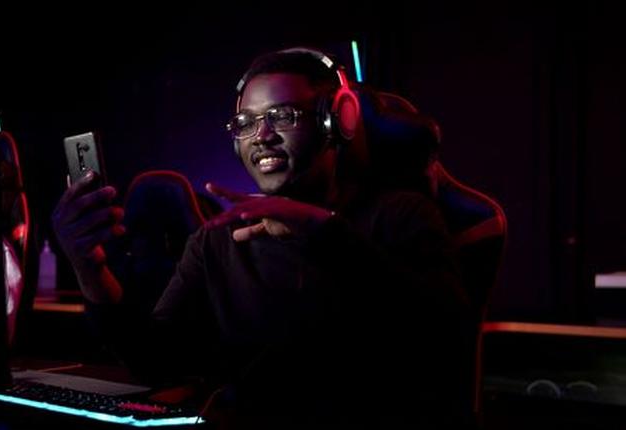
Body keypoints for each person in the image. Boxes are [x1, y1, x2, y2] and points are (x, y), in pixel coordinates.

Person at [52, 47, 475, 428]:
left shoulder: (399, 215)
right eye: (246, 123)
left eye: (283, 116)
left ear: (335, 121)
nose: (262, 135)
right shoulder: (218, 239)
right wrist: (90, 269)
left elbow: (444, 337)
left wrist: (322, 232)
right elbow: (157, 362)